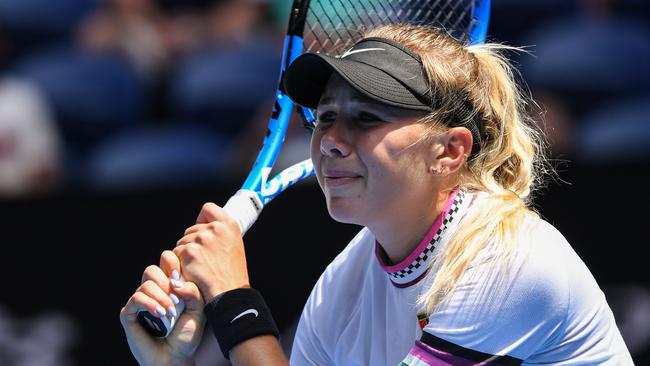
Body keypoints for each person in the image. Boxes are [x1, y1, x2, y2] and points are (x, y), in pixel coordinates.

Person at [120, 24, 634, 365]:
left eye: (367, 118)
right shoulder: (342, 289)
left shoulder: (509, 262)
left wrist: (234, 302)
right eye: (324, 118)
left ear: (450, 151)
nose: (332, 142)